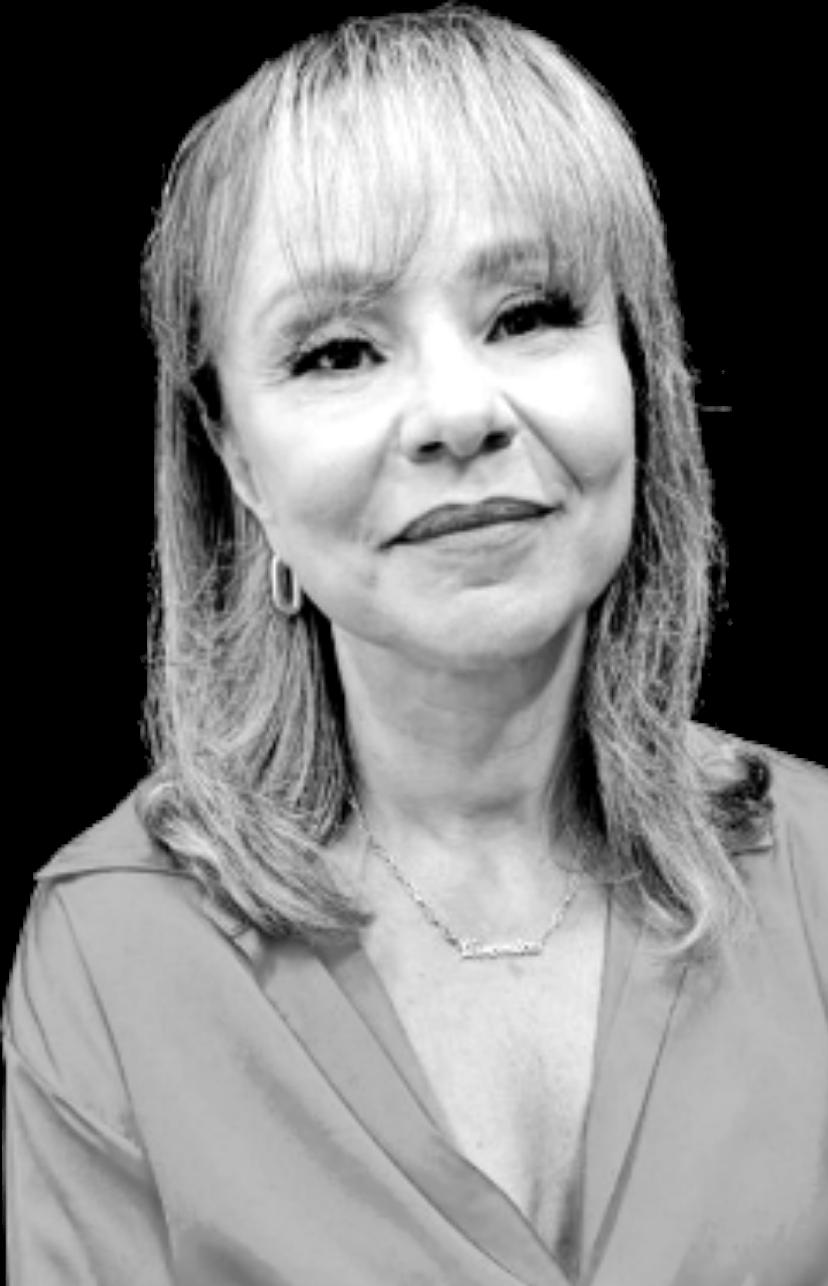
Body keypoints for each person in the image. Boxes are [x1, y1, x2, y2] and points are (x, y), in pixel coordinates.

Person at [4, 8, 826, 1285]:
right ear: (236, 460)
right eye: (339, 350)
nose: (457, 411)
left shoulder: (822, 868)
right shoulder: (114, 950)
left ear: (636, 367)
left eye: (528, 313)